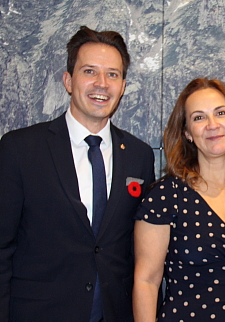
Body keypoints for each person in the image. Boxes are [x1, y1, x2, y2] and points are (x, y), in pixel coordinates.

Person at [0, 26, 155, 321]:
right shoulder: (20, 149)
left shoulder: (139, 155)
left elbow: (138, 252)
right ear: (69, 81)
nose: (102, 84)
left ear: (123, 85)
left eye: (112, 74)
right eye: (89, 71)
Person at [132, 78, 225, 321]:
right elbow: (146, 281)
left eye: (220, 113)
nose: (213, 125)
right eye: (199, 118)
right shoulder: (166, 195)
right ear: (187, 133)